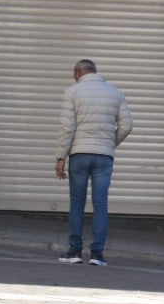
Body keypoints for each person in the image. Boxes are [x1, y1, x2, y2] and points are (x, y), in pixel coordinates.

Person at [54, 59, 133, 266]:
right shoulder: (115, 93)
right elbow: (127, 126)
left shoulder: (72, 92)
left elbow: (67, 128)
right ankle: (97, 255)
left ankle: (74, 251)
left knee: (77, 203)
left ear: (79, 73)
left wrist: (61, 157)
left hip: (79, 155)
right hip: (103, 157)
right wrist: (109, 144)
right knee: (101, 205)